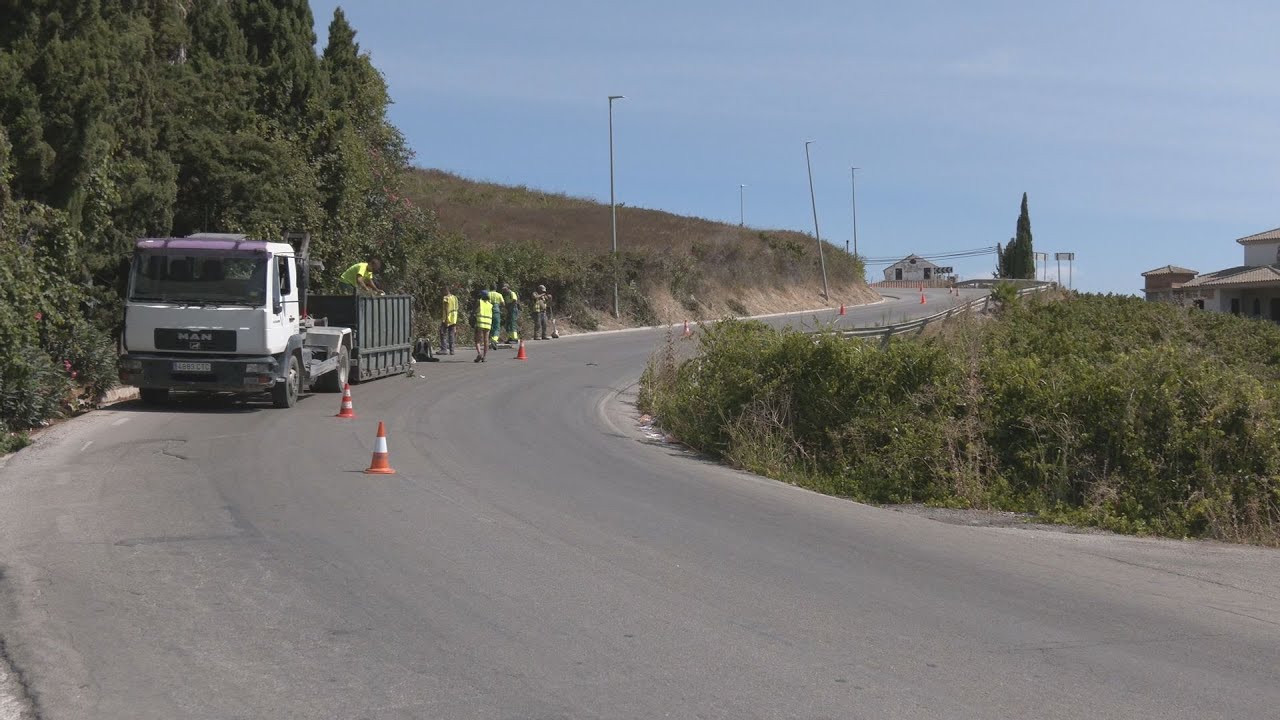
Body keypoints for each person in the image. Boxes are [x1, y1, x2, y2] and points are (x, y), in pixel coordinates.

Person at [471, 288, 492, 363]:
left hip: (480, 323)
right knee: (486, 340)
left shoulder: (479, 302)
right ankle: (485, 356)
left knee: (477, 340)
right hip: (488, 324)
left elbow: (474, 311)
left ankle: (479, 353)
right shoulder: (490, 304)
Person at [439, 286, 458, 355]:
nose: (442, 293)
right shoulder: (454, 297)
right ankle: (452, 350)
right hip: (454, 319)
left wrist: (446, 318)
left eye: (442, 291)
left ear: (445, 290)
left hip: (447, 318)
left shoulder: (446, 298)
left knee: (442, 333)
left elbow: (446, 308)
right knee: (451, 334)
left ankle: (444, 349)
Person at [486, 282, 505, 348]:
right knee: (496, 327)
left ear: (490, 288)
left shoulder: (487, 294)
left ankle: (489, 341)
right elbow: (503, 303)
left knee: (489, 326)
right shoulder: (499, 295)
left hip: (488, 311)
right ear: (496, 288)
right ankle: (494, 340)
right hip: (496, 311)